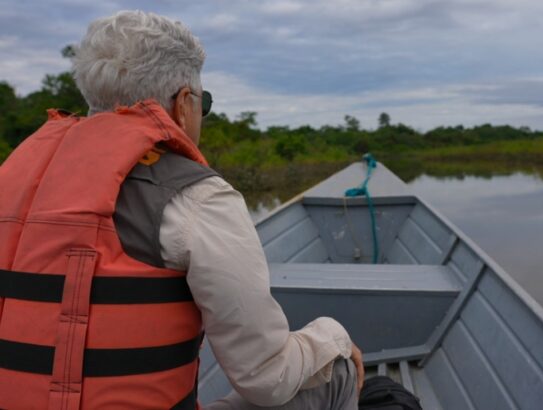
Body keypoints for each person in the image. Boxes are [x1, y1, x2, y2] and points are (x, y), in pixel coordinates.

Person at [0, 10, 364, 410]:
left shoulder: (14, 179)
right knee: (338, 369)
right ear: (184, 104)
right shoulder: (197, 198)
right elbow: (266, 378)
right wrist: (334, 337)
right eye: (203, 102)